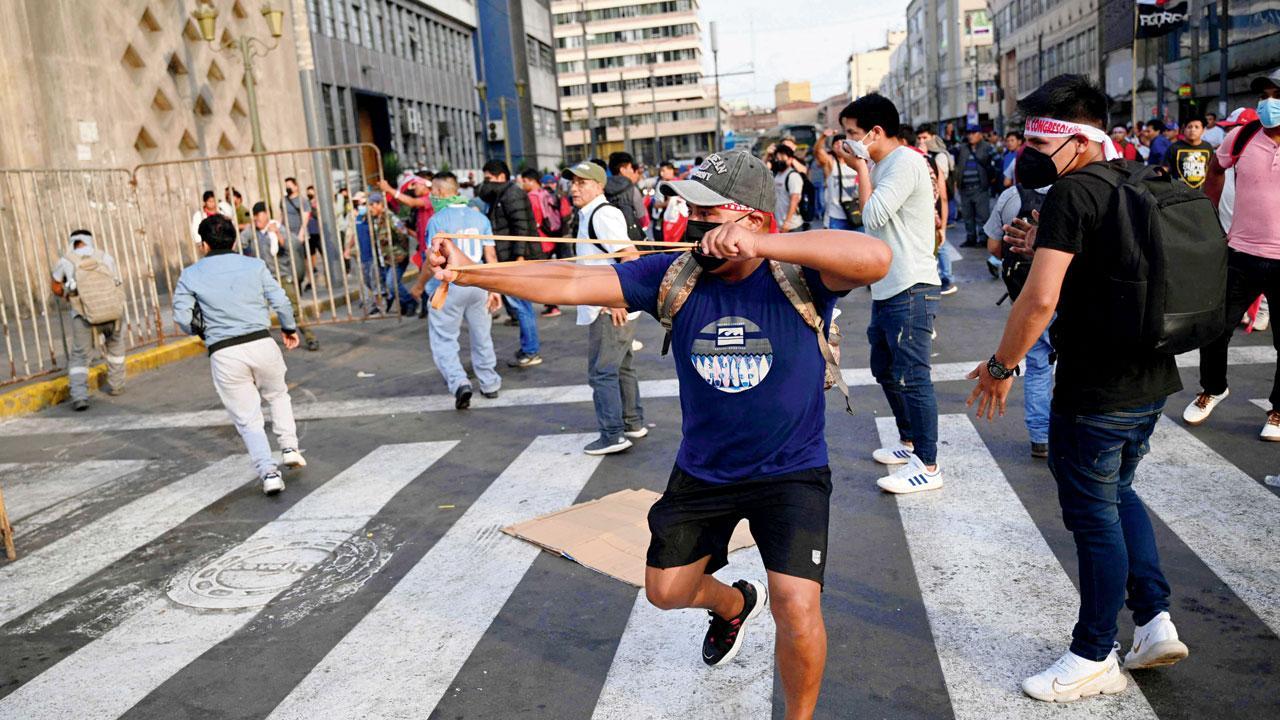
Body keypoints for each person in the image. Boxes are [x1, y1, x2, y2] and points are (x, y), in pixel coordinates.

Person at [428, 149, 891, 720]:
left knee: (798, 607)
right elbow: (572, 279)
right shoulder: (672, 273)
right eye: (689, 213)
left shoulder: (799, 273)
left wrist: (762, 245)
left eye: (708, 215)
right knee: (666, 591)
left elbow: (875, 257)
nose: (694, 225)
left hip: (789, 470)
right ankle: (732, 603)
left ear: (752, 219)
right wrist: (470, 269)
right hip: (705, 470)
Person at [967, 74, 1190, 703]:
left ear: (1076, 139)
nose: (1030, 150)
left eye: (1040, 137)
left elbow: (1039, 301)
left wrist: (1002, 367)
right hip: (1151, 378)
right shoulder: (1139, 178)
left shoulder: (1071, 193)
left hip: (1097, 388)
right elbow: (1118, 266)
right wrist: (1045, 246)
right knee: (1119, 493)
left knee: (1092, 517)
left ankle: (1094, 653)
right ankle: (1153, 621)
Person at [835, 94, 945, 493]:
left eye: (853, 134)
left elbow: (873, 216)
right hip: (889, 285)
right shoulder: (886, 164)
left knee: (913, 376)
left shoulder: (906, 163)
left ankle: (928, 465)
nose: (849, 142)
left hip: (912, 285)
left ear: (875, 132)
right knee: (884, 367)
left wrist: (861, 165)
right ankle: (910, 442)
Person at [173, 214, 306, 496]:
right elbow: (281, 300)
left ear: (204, 245)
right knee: (278, 395)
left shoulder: (191, 274)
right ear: (234, 239)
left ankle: (269, 473)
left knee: (248, 418)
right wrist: (289, 327)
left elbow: (182, 318)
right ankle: (290, 447)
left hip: (224, 352)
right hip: (261, 342)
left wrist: (203, 331)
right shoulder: (255, 266)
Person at [1187, 68, 1280, 438]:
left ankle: (1278, 411)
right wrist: (1210, 216)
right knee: (1214, 328)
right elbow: (1216, 168)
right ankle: (1212, 388)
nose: (1269, 103)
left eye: (1277, 95)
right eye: (1265, 96)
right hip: (1239, 253)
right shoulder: (1241, 136)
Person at [559, 160, 645, 456]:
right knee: (621, 367)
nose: (574, 188)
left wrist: (615, 300)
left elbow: (629, 256)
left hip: (609, 308)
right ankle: (632, 422)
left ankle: (612, 435)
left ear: (598, 186)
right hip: (612, 305)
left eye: (581, 183)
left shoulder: (603, 214)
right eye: (572, 183)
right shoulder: (590, 214)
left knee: (602, 371)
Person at [409, 172, 502, 409]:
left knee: (444, 338)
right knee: (482, 335)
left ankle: (459, 382)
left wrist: (419, 285)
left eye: (433, 193)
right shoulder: (479, 217)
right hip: (479, 283)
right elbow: (490, 256)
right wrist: (495, 289)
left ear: (440, 193)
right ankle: (490, 382)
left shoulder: (437, 220)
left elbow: (433, 261)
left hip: (449, 285)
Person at [984, 180, 1053, 457]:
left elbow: (992, 246)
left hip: (1025, 291)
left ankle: (1040, 437)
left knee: (1038, 366)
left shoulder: (1011, 195)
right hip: (1066, 291)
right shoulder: (1073, 191)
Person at [50, 229, 127, 412]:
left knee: (80, 356)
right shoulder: (105, 257)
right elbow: (116, 281)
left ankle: (79, 396)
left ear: (73, 242)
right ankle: (117, 385)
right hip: (111, 312)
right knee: (115, 346)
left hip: (82, 314)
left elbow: (55, 287)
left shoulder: (66, 261)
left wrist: (69, 295)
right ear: (90, 240)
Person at [478, 160, 543, 367]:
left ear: (500, 177)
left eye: (489, 179)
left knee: (522, 305)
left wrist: (519, 257)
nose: (485, 183)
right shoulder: (500, 195)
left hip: (514, 259)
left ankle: (531, 351)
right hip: (507, 257)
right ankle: (529, 348)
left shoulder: (512, 194)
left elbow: (521, 227)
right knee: (519, 305)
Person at [243, 202, 318, 350]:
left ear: (266, 214)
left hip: (282, 276)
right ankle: (258, 344)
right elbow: (241, 243)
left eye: (258, 215)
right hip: (262, 278)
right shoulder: (251, 231)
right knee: (256, 311)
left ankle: (310, 337)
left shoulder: (278, 228)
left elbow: (290, 246)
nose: (256, 219)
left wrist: (276, 233)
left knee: (294, 309)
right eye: (254, 216)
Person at [915, 128, 955, 294]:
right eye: (919, 137)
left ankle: (947, 278)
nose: (922, 141)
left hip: (936, 205)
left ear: (933, 137)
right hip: (933, 206)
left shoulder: (938, 157)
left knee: (941, 242)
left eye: (925, 137)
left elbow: (940, 186)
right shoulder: (928, 156)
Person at [519, 168, 562, 318]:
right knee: (547, 273)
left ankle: (552, 305)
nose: (522, 184)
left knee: (543, 275)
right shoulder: (545, 193)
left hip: (540, 239)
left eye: (524, 181)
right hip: (550, 236)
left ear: (531, 181)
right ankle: (552, 304)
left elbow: (535, 220)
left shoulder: (531, 197)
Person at [367, 192, 416, 316]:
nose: (369, 208)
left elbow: (403, 233)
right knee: (392, 284)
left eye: (371, 205)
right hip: (386, 259)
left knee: (391, 283)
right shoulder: (376, 220)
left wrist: (401, 252)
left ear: (379, 204)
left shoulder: (390, 217)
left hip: (397, 257)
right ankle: (404, 305)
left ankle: (411, 302)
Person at [954, 124, 997, 247]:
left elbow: (997, 162)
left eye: (973, 133)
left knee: (982, 215)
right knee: (967, 216)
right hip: (965, 188)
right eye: (969, 133)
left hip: (980, 188)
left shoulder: (987, 147)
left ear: (980, 134)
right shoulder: (963, 148)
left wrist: (993, 179)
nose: (970, 136)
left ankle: (983, 239)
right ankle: (970, 238)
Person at [812, 129, 860, 231]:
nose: (839, 144)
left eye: (842, 142)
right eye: (836, 143)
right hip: (836, 216)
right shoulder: (830, 162)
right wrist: (823, 137)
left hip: (857, 213)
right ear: (832, 148)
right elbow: (817, 151)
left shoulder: (857, 161)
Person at [605, 151, 648, 241]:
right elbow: (642, 218)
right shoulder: (632, 189)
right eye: (630, 167)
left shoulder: (602, 188)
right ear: (622, 170)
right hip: (631, 238)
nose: (632, 171)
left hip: (609, 237)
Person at [1163, 116, 1213, 190]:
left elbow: (1211, 169)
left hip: (1201, 192)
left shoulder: (1207, 147)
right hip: (1179, 191)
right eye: (1189, 127)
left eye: (1197, 127)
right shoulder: (1174, 147)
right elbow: (1165, 168)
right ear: (1184, 129)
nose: (1193, 130)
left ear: (1203, 130)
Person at [771, 144, 806, 233]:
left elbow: (794, 200)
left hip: (792, 226)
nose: (779, 160)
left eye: (782, 157)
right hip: (780, 225)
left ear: (790, 159)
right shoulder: (777, 175)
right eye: (777, 157)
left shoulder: (793, 176)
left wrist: (787, 222)